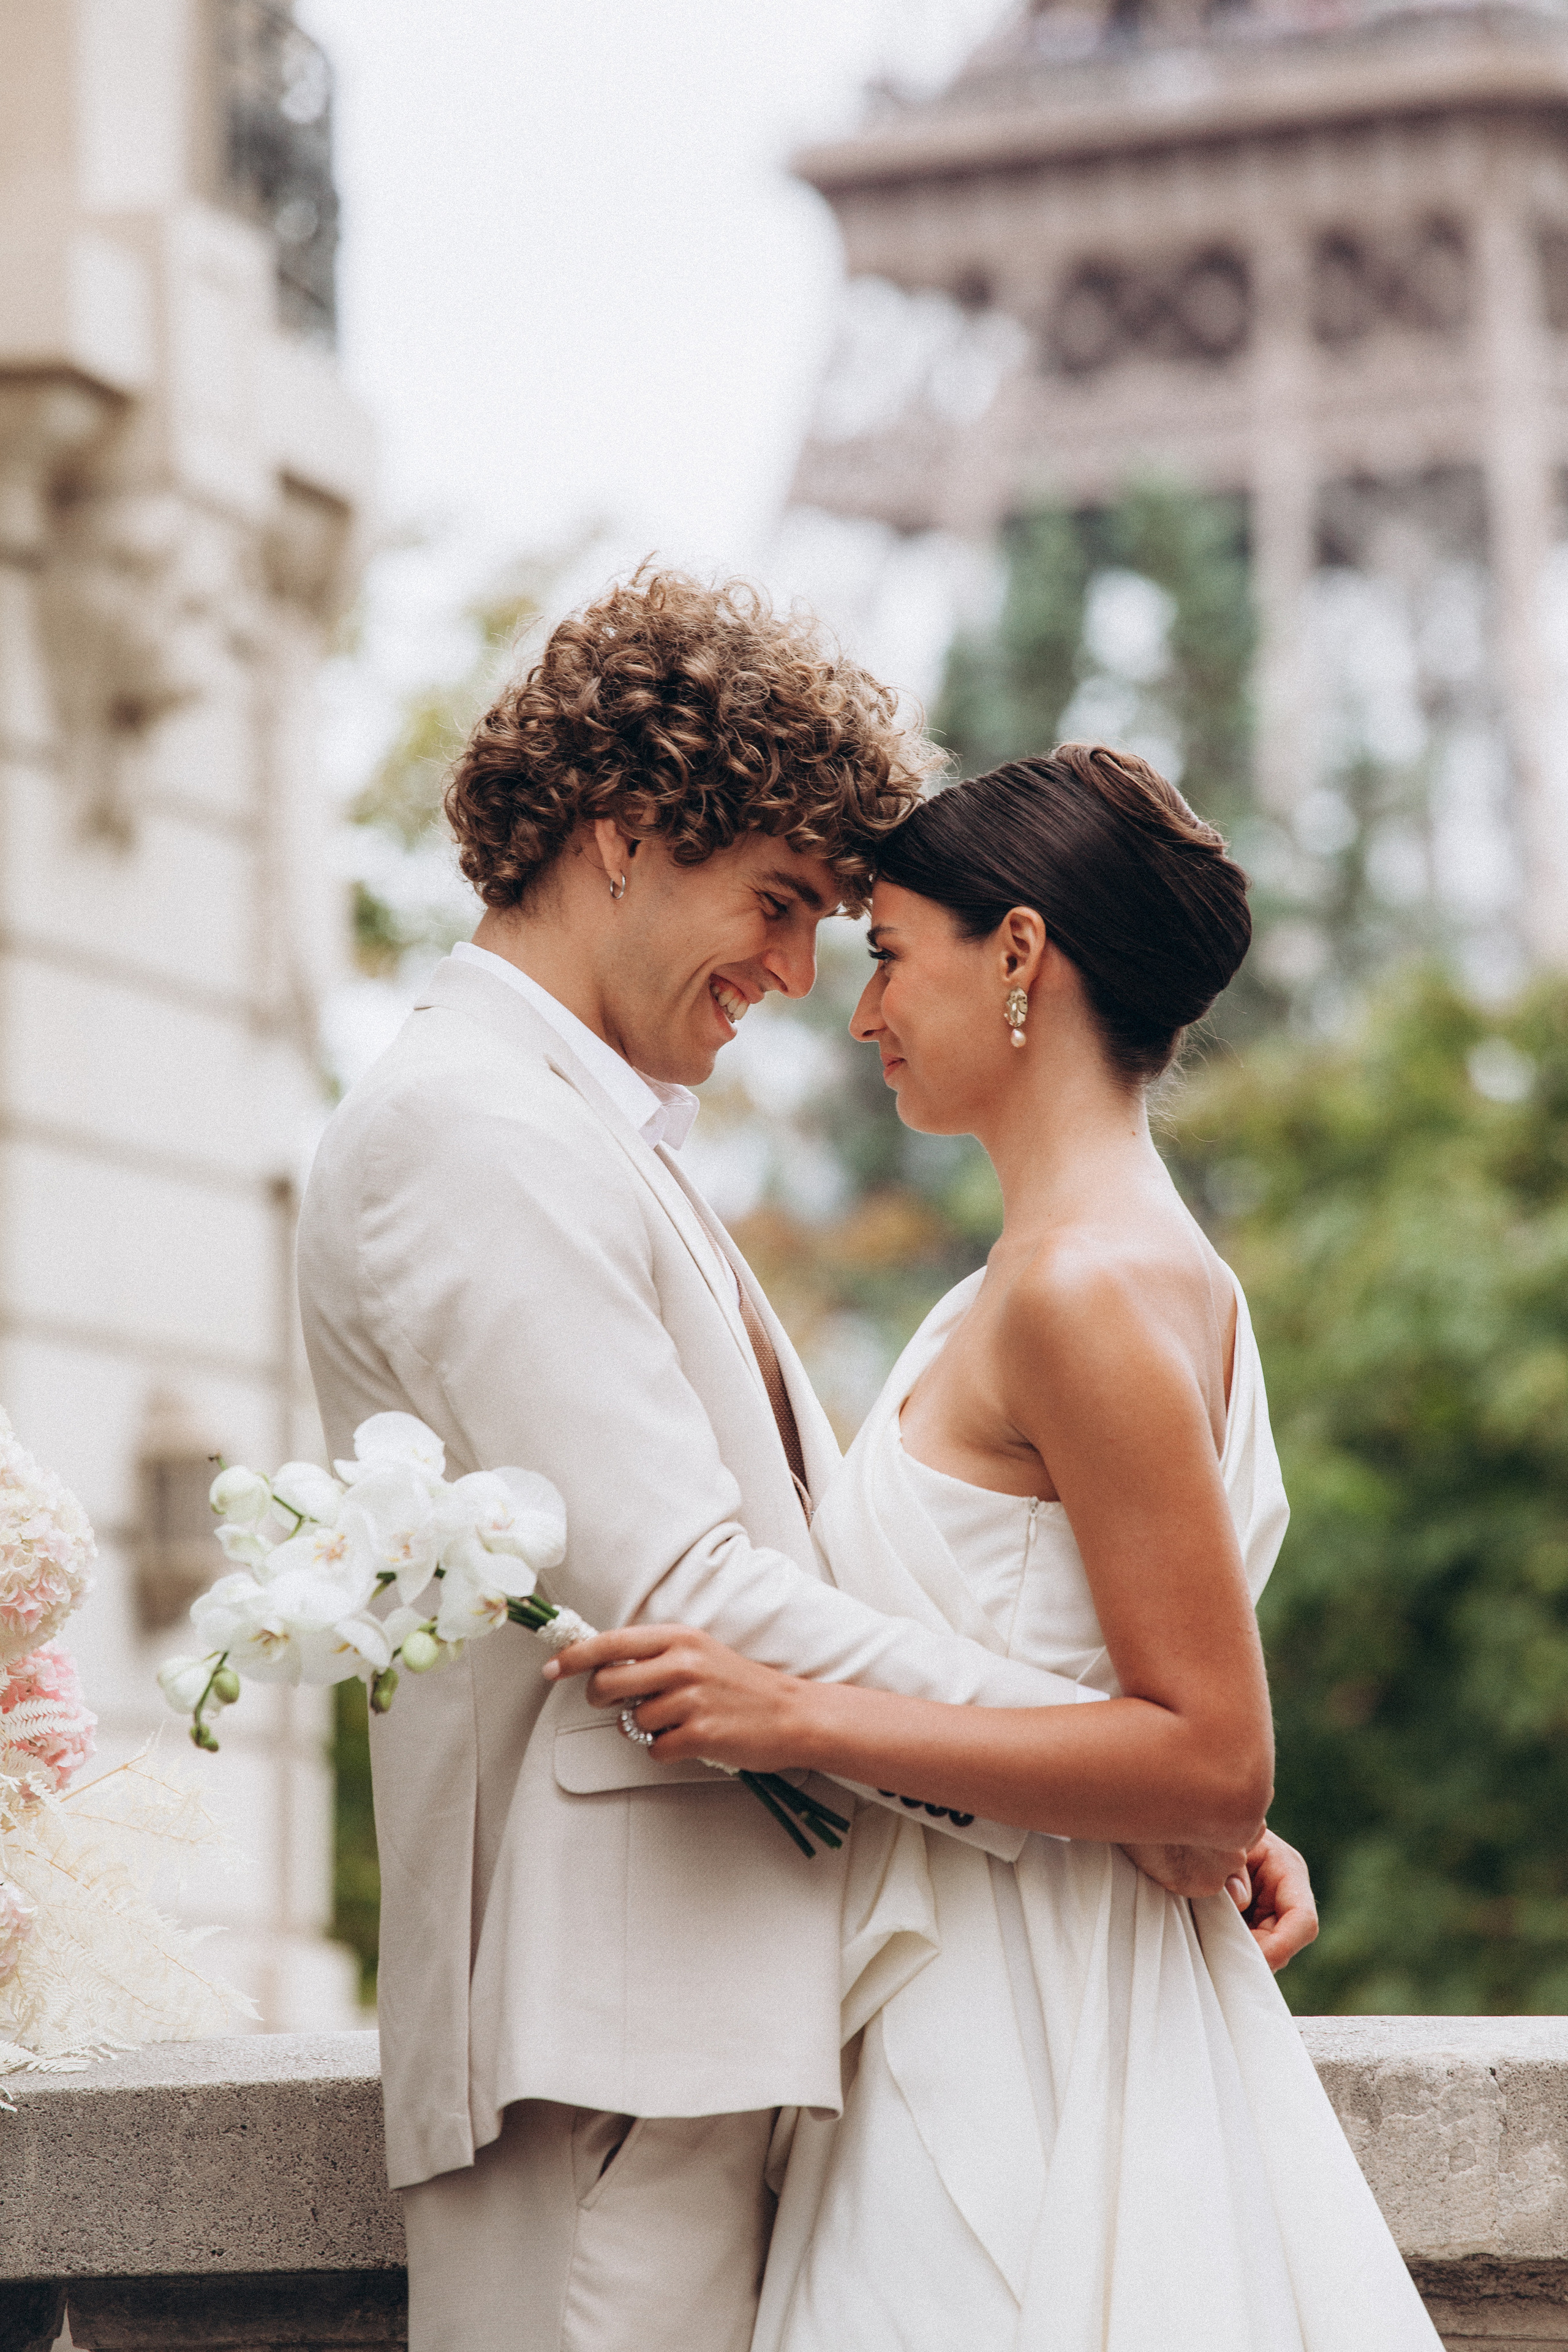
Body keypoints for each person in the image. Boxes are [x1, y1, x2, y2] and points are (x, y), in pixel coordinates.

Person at [298, 577, 1317, 2352]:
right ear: (622, 838)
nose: (799, 975)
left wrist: (1141, 1768)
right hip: (608, 2058)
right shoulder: (474, 1128)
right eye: (777, 904)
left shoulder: (587, 1131)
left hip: (720, 2036)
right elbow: (686, 1587)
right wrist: (1128, 1780)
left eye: (834, 927)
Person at [549, 747, 1440, 2351]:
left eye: (889, 950)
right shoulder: (1106, 1278)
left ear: (1019, 953)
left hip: (1025, 2032)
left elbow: (1211, 1758)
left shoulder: (1078, 1292)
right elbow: (1126, 1695)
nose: (861, 1005)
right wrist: (1151, 1791)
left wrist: (793, 1714)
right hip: (1014, 1979)